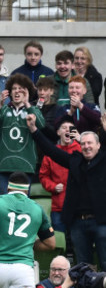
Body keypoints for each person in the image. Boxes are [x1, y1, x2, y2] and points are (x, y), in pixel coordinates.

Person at [27, 114, 106, 271]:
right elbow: (50, 150)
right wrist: (34, 130)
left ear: (98, 146)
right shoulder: (75, 160)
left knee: (105, 262)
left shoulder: (104, 160)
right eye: (83, 143)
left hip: (101, 222)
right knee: (84, 266)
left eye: (90, 143)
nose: (86, 146)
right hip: (78, 223)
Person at [0, 73, 45, 194]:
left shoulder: (33, 109)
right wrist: (0, 104)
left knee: (21, 205)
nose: (17, 92)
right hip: (3, 166)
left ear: (27, 92)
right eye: (14, 89)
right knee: (3, 203)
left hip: (25, 166)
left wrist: (28, 104)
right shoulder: (3, 109)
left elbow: (41, 125)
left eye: (21, 89)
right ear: (9, 92)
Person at [38, 117, 81, 232]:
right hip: (58, 206)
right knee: (60, 242)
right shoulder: (51, 153)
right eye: (64, 128)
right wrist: (53, 186)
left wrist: (81, 139)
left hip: (77, 207)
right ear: (58, 132)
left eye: (71, 128)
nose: (67, 130)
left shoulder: (82, 150)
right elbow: (43, 176)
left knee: (77, 242)